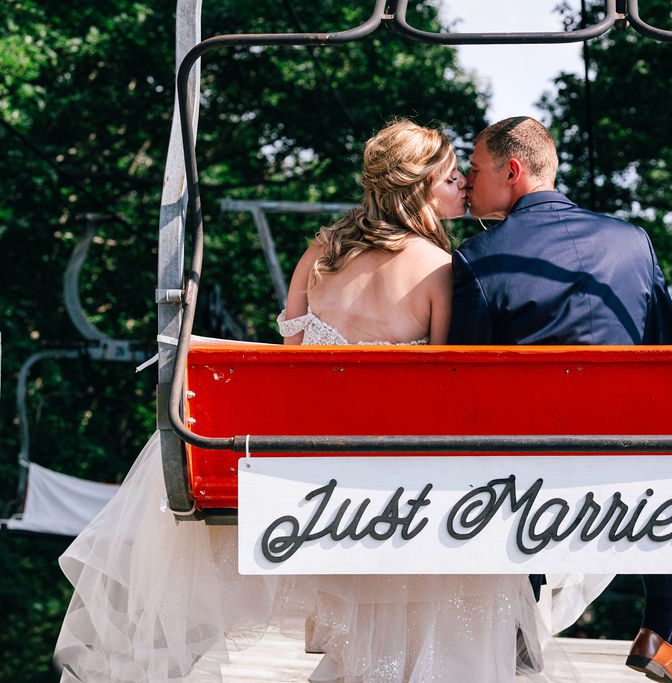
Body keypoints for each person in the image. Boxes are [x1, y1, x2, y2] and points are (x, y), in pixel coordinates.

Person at [53, 120, 582, 683]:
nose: (463, 188)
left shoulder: (322, 252)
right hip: (401, 483)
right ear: (424, 187)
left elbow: (293, 360)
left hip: (316, 471)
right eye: (453, 178)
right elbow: (445, 385)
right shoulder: (440, 269)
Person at [449, 116, 672, 683]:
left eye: (475, 170)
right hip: (630, 457)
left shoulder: (479, 258)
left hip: (529, 465)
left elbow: (460, 377)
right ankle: (660, 631)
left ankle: (523, 626)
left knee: (509, 445)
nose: (466, 183)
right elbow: (671, 350)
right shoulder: (633, 241)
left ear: (512, 171)